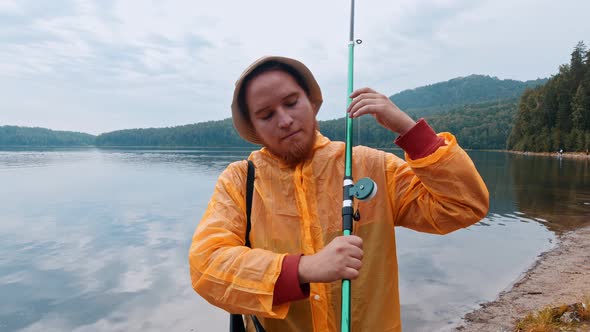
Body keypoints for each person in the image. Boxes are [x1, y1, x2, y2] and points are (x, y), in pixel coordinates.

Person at [188, 56, 489, 331]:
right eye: (266, 115)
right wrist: (304, 268)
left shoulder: (371, 166)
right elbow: (207, 266)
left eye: (292, 102)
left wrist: (411, 132)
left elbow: (464, 205)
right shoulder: (240, 181)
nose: (284, 120)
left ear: (312, 101)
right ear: (253, 127)